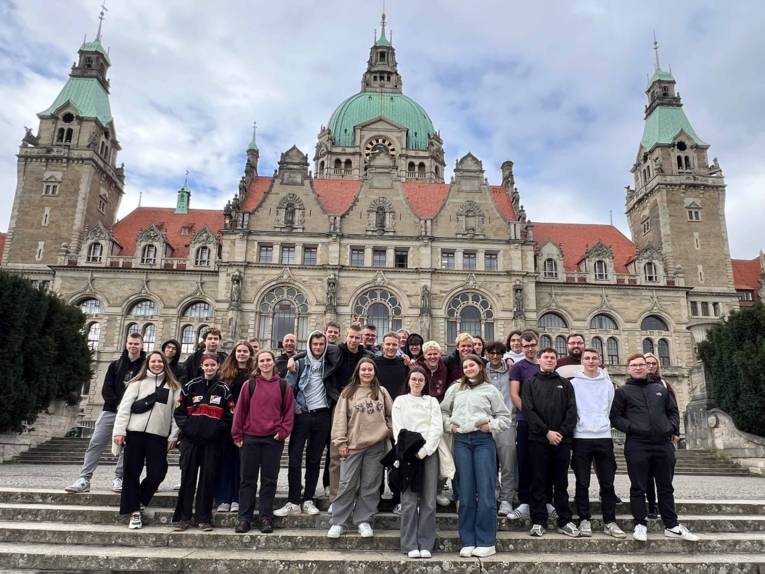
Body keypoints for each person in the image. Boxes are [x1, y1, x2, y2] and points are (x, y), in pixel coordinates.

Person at [610, 353, 698, 542]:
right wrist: (632, 428)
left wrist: (671, 427)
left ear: (647, 367)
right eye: (634, 365)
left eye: (641, 364)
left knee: (666, 486)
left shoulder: (660, 389)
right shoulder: (622, 391)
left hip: (662, 444)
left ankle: (672, 525)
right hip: (637, 444)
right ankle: (640, 524)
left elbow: (673, 411)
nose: (638, 367)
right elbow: (615, 417)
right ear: (629, 369)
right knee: (638, 486)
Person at [441, 354, 511, 558]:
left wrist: (490, 426)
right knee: (465, 492)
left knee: (486, 491)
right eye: (465, 366)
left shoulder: (490, 390)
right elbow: (443, 411)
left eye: (472, 365)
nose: (469, 368)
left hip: (482, 441)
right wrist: (450, 426)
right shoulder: (455, 388)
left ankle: (486, 540)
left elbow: (504, 417)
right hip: (462, 441)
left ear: (480, 367)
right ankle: (468, 540)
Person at [65, 332, 146, 494]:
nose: (133, 346)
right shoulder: (115, 365)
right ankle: (84, 478)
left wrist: (131, 407)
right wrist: (119, 406)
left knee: (128, 447)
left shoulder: (146, 366)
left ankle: (119, 478)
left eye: (136, 343)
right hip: (111, 410)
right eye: (130, 343)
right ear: (126, 344)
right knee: (96, 442)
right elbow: (106, 389)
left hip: (134, 413)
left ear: (142, 345)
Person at [112, 351, 181, 529]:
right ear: (148, 363)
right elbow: (124, 409)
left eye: (160, 361)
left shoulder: (173, 386)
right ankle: (134, 511)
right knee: (131, 472)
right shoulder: (136, 383)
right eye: (153, 361)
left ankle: (140, 499)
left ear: (164, 364)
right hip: (134, 433)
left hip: (158, 436)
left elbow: (176, 414)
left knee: (157, 472)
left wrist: (173, 435)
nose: (157, 364)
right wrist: (119, 432)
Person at [327, 358, 393, 539]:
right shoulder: (348, 392)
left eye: (370, 369)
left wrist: (388, 430)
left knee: (370, 485)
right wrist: (340, 442)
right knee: (347, 483)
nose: (366, 372)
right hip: (353, 445)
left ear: (374, 372)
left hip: (376, 445)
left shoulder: (381, 392)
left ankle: (363, 520)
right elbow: (340, 418)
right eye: (363, 369)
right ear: (358, 371)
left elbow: (390, 414)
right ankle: (338, 521)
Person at [277, 331, 340, 517]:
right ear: (309, 345)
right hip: (302, 415)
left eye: (322, 344)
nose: (318, 347)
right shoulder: (299, 364)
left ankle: (308, 499)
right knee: (295, 458)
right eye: (315, 344)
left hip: (322, 415)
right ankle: (293, 500)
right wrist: (296, 408)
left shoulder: (330, 364)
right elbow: (288, 389)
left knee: (314, 460)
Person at [232, 350, 295, 534]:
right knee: (247, 480)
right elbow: (240, 411)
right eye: (262, 361)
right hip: (250, 438)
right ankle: (244, 518)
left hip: (272, 440)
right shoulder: (249, 385)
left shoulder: (284, 386)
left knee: (269, 480)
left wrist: (283, 432)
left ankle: (266, 517)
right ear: (258, 364)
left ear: (273, 363)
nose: (266, 363)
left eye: (268, 360)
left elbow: (288, 412)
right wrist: (237, 435)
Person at [173, 353, 234, 531]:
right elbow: (179, 412)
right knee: (187, 479)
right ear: (202, 367)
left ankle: (203, 518)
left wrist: (215, 431)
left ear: (218, 367)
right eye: (206, 365)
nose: (209, 368)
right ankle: (183, 517)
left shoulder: (223, 389)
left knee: (207, 480)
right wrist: (189, 429)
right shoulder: (190, 386)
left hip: (212, 442)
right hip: (190, 441)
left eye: (212, 365)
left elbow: (229, 416)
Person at [522, 347, 579, 538]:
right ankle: (538, 521)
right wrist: (546, 432)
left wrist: (560, 433)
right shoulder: (530, 383)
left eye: (552, 358)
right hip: (538, 439)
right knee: (538, 481)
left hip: (562, 441)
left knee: (561, 482)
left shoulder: (565, 384)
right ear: (539, 360)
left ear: (556, 362)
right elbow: (528, 410)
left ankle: (564, 520)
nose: (548, 360)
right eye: (545, 357)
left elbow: (572, 411)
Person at [570, 348, 626, 538]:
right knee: (582, 482)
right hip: (581, 437)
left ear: (599, 361)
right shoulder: (574, 383)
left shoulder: (608, 384)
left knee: (607, 482)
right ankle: (584, 519)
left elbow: (609, 407)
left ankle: (609, 521)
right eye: (587, 358)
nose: (591, 361)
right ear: (582, 362)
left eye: (594, 358)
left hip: (603, 436)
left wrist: (603, 423)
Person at [391, 367, 442, 559]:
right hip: (407, 453)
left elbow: (436, 427)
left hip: (428, 453)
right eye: (414, 379)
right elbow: (398, 429)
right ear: (409, 381)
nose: (417, 382)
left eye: (421, 379)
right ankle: (409, 543)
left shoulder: (432, 401)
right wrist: (410, 451)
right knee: (409, 500)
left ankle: (426, 542)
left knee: (429, 499)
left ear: (425, 382)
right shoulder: (400, 401)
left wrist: (426, 450)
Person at [325, 323, 373, 503]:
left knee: (359, 453)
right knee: (336, 454)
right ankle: (335, 499)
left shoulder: (366, 356)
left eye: (357, 338)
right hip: (339, 405)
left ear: (361, 339)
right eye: (351, 337)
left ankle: (356, 498)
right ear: (346, 336)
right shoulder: (336, 351)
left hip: (360, 409)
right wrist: (339, 399)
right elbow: (310, 353)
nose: (353, 340)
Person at [214, 341, 255, 513]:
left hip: (246, 423)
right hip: (227, 422)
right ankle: (224, 498)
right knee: (225, 460)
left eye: (245, 351)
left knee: (241, 462)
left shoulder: (254, 374)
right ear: (234, 353)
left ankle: (237, 498)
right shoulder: (224, 373)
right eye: (239, 351)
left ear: (250, 354)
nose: (242, 354)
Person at [506, 330, 540, 519]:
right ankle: (525, 501)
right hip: (525, 420)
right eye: (525, 346)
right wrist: (530, 415)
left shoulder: (545, 364)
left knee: (543, 461)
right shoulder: (518, 367)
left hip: (545, 423)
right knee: (525, 461)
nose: (529, 349)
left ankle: (544, 500)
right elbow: (514, 395)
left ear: (537, 344)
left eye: (532, 345)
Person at [374, 332, 409, 512]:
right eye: (388, 344)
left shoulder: (404, 365)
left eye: (394, 345)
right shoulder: (375, 364)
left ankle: (397, 497)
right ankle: (376, 497)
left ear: (398, 346)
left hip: (399, 417)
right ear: (382, 345)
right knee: (378, 459)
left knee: (398, 459)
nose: (390, 347)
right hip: (378, 417)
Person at [644, 352, 678, 519]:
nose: (650, 366)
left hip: (663, 436)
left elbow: (673, 409)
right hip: (644, 438)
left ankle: (666, 509)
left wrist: (674, 430)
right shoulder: (637, 384)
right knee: (647, 475)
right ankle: (651, 504)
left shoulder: (664, 384)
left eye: (653, 363)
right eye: (647, 363)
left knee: (664, 475)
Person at [485, 341, 517, 516]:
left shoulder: (512, 369)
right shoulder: (482, 371)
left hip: (507, 423)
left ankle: (506, 499)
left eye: (499, 353)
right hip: (487, 424)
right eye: (492, 353)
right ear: (487, 354)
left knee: (508, 464)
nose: (495, 356)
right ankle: (495, 494)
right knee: (489, 463)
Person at [418, 340, 450, 506]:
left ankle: (438, 490)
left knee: (442, 455)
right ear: (424, 356)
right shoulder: (417, 368)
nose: (432, 356)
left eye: (435, 353)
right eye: (429, 354)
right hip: (420, 417)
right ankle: (419, 492)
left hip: (439, 416)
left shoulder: (445, 368)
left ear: (440, 355)